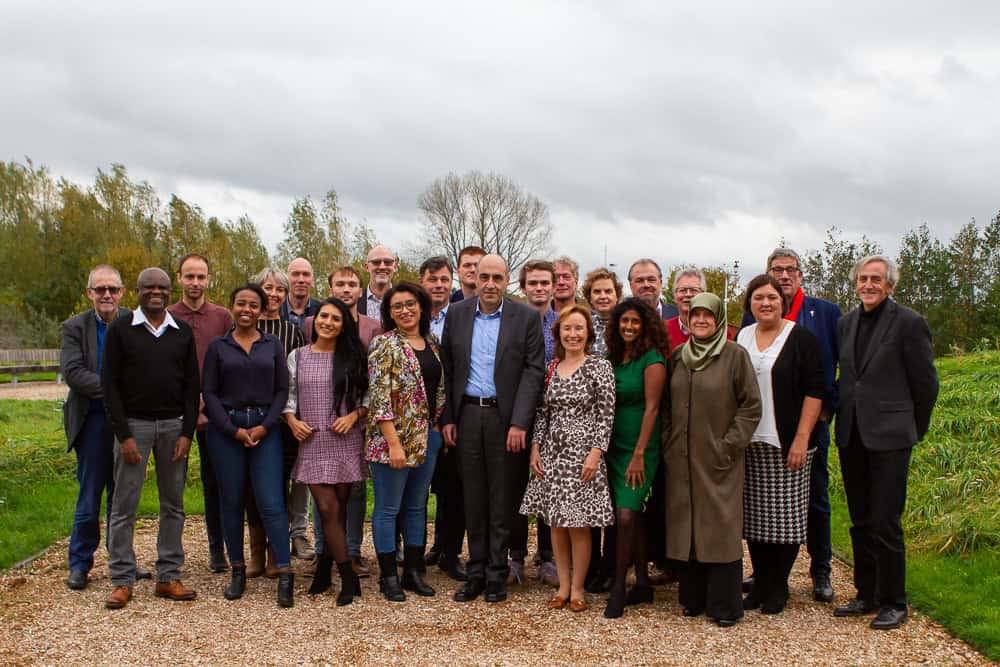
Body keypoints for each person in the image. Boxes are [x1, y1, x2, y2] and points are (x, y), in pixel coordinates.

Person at [834, 255, 938, 630]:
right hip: (852, 433)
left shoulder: (909, 323)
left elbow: (926, 384)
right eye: (863, 278)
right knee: (860, 519)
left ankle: (895, 601)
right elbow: (849, 378)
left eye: (876, 279)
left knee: (885, 520)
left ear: (890, 285)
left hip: (892, 436)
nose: (869, 285)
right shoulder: (845, 324)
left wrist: (913, 428)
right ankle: (867, 593)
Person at [441, 254, 545, 603]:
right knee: (473, 496)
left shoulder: (525, 317)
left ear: (507, 281)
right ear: (474, 278)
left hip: (506, 419)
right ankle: (476, 572)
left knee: (502, 498)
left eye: (496, 278)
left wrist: (520, 422)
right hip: (468, 415)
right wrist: (449, 418)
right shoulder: (457, 315)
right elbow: (450, 370)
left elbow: (534, 371)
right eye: (483, 276)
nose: (489, 284)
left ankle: (497, 573)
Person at [740, 248, 842, 602]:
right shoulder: (743, 336)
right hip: (751, 439)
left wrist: (802, 437)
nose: (766, 301)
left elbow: (816, 388)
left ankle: (782, 584)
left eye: (771, 297)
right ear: (750, 303)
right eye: (759, 297)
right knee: (754, 514)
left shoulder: (803, 335)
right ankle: (762, 580)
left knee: (788, 514)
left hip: (790, 438)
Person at [102, 268, 200, 610]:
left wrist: (187, 432)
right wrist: (123, 434)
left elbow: (192, 387)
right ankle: (122, 579)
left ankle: (168, 575)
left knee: (173, 503)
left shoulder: (181, 332)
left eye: (162, 287)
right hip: (135, 427)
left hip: (173, 427)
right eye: (149, 287)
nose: (155, 292)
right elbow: (109, 385)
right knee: (124, 504)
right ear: (138, 291)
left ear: (169, 291)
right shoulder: (120, 329)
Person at [664, 293, 761, 627]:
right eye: (695, 315)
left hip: (719, 456)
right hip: (681, 457)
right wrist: (668, 442)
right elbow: (665, 405)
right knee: (687, 525)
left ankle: (723, 604)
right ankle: (693, 598)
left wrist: (730, 444)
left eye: (708, 315)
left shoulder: (734, 355)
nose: (701, 321)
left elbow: (751, 406)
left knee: (719, 526)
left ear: (718, 319)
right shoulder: (679, 356)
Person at [202, 283, 293, 607]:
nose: (246, 310)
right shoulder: (218, 347)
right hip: (227, 430)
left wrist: (265, 426)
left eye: (253, 305)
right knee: (232, 501)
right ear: (232, 306)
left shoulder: (272, 345)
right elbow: (209, 393)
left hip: (265, 429)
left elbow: (282, 389)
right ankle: (237, 570)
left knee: (271, 501)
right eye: (241, 304)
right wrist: (232, 430)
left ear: (262, 309)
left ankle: (284, 571)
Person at [61, 265, 151, 590]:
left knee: (123, 493)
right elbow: (73, 372)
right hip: (93, 420)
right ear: (89, 294)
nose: (107, 295)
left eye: (112, 289)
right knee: (90, 493)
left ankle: (121, 560)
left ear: (122, 291)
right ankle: (80, 563)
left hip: (128, 421)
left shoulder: (134, 322)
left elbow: (145, 365)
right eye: (100, 290)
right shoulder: (75, 327)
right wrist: (114, 390)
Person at [520, 305, 615, 612]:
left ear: (588, 333)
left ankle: (578, 589)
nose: (573, 334)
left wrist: (595, 453)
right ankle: (561, 586)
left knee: (579, 525)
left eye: (578, 328)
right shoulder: (552, 367)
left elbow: (606, 414)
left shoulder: (599, 367)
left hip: (584, 455)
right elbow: (542, 413)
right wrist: (535, 447)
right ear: (558, 333)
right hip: (553, 455)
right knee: (556, 525)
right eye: (567, 329)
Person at [284, 298, 369, 605]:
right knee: (326, 509)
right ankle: (348, 578)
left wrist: (354, 416)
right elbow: (289, 395)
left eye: (335, 318)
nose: (328, 322)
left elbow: (368, 397)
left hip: (345, 438)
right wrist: (292, 421)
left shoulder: (354, 356)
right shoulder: (298, 357)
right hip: (313, 440)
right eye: (323, 316)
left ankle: (323, 568)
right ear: (314, 320)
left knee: (340, 510)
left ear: (343, 324)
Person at [367, 282, 446, 601]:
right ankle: (388, 576)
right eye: (397, 306)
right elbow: (379, 396)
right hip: (391, 439)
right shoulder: (383, 344)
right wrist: (394, 443)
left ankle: (414, 571)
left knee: (416, 506)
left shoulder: (432, 342)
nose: (405, 310)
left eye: (410, 303)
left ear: (421, 306)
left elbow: (437, 388)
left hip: (426, 436)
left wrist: (436, 428)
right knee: (388, 508)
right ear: (389, 312)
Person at [167, 253, 234, 574]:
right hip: (172, 410)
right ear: (179, 277)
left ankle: (216, 548)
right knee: (171, 481)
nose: (195, 283)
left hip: (213, 410)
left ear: (208, 279)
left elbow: (230, 362)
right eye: (189, 276)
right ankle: (170, 553)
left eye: (201, 277)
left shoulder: (222, 317)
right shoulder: (166, 315)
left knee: (214, 481)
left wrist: (209, 400)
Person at [602, 298, 669, 618]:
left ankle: (619, 585)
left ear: (645, 325)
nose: (628, 327)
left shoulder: (652, 359)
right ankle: (642, 583)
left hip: (639, 449)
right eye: (623, 321)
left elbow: (653, 408)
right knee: (633, 515)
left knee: (625, 515)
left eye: (635, 322)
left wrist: (640, 454)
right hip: (611, 446)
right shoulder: (614, 357)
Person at [319, 265, 383, 578]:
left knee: (354, 489)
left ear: (361, 290)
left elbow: (373, 379)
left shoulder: (372, 327)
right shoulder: (313, 321)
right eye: (340, 284)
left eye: (352, 284)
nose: (347, 289)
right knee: (323, 486)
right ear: (331, 287)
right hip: (321, 420)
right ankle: (324, 551)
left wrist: (361, 414)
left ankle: (353, 551)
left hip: (359, 418)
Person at [251, 267, 308, 577]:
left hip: (285, 419)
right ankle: (256, 553)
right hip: (250, 416)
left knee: (281, 485)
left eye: (279, 290)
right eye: (267, 288)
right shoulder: (242, 325)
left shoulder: (292, 330)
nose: (272, 294)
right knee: (255, 487)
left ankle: (278, 551)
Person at [419, 257, 468, 582]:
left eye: (443, 279)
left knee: (453, 489)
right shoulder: (410, 316)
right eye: (432, 279)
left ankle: (450, 552)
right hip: (414, 420)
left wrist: (449, 416)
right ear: (422, 281)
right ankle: (415, 550)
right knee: (416, 491)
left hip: (451, 417)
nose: (438, 284)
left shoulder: (463, 316)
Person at [515, 259, 560, 586]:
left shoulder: (564, 323)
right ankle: (515, 554)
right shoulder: (513, 322)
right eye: (534, 283)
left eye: (545, 282)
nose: (540, 288)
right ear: (524, 286)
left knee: (548, 485)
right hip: (520, 413)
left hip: (556, 416)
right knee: (516, 484)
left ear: (554, 286)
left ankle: (548, 555)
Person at [581, 267, 623, 360]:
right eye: (597, 292)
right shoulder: (583, 324)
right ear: (590, 298)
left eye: (608, 291)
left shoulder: (625, 323)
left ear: (617, 296)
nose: (603, 296)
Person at [665, 268, 707, 351]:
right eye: (682, 290)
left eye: (694, 290)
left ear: (703, 294)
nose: (688, 294)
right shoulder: (662, 331)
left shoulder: (718, 331)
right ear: (674, 296)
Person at [281, 257, 323, 329]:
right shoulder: (274, 310)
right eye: (295, 274)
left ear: (312, 281)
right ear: (287, 279)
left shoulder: (322, 311)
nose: (301, 280)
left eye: (306, 274)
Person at [358, 245, 397, 317]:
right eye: (376, 262)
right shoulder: (355, 300)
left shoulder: (405, 299)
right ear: (366, 267)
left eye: (388, 262)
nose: (382, 267)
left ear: (395, 267)